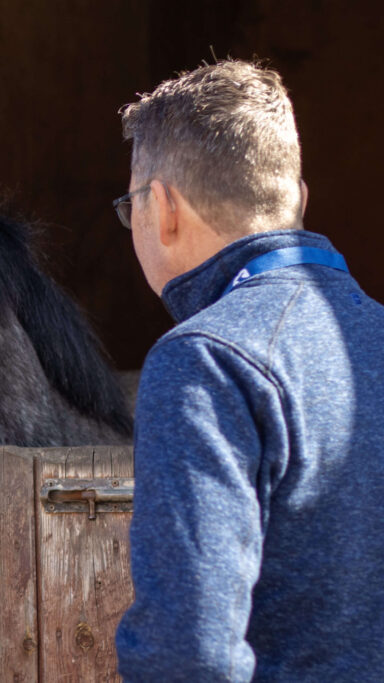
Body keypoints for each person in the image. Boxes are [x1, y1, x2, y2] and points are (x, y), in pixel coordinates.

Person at [113, 60, 384, 680]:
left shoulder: (204, 359)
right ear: (301, 201)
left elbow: (188, 655)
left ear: (162, 206)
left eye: (131, 208)